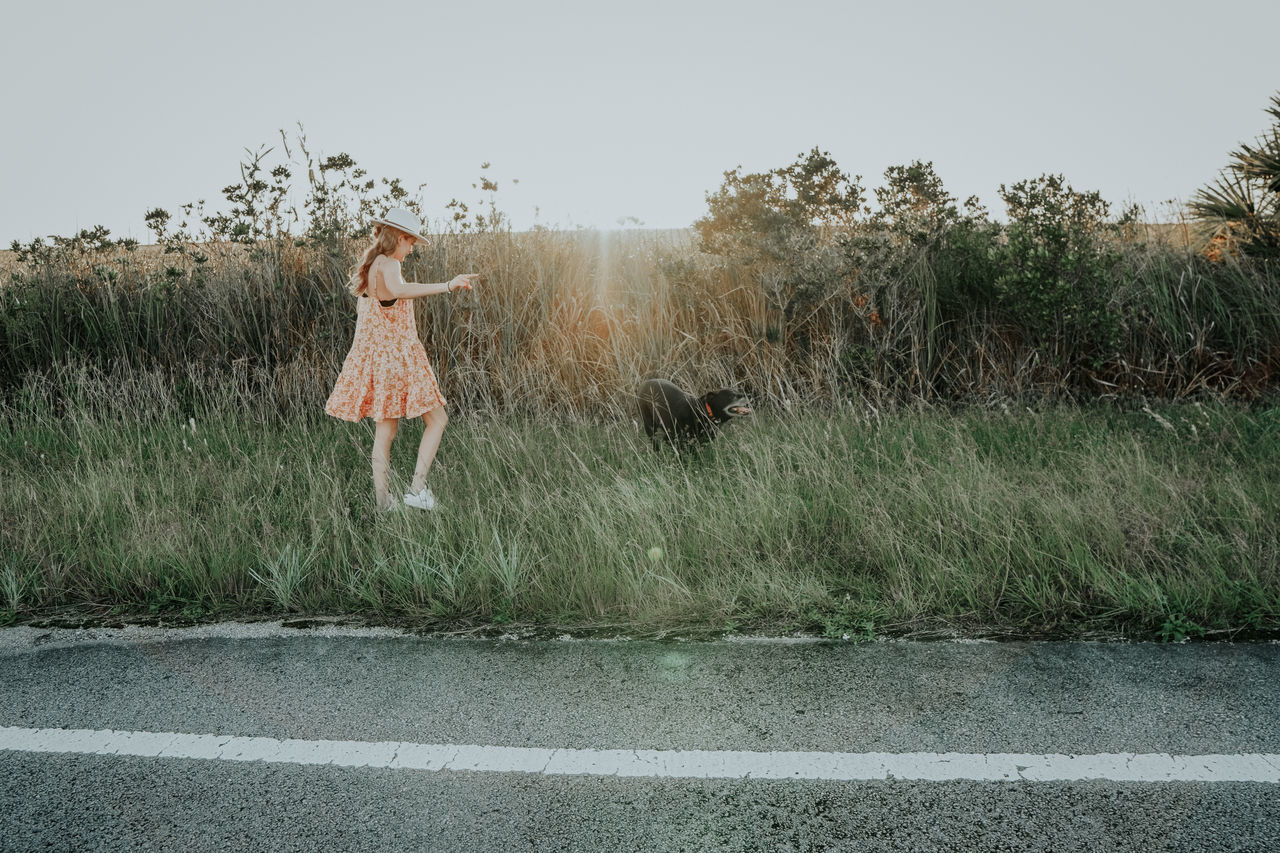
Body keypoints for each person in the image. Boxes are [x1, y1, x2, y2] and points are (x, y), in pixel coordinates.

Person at [324, 208, 479, 511]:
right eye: (410, 243)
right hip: (399, 359)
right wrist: (448, 285)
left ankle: (383, 502)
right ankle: (417, 490)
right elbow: (397, 290)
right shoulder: (391, 264)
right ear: (399, 238)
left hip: (381, 360)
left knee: (386, 432)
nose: (410, 250)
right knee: (437, 420)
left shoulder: (372, 266)